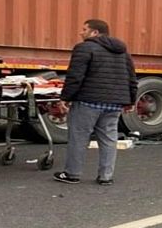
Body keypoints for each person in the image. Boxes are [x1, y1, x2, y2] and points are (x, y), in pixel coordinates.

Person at [54, 19, 138, 185]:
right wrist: (131, 100)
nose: (81, 32)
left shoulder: (84, 48)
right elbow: (131, 78)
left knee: (79, 137)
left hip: (88, 101)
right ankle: (106, 176)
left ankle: (72, 174)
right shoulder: (123, 52)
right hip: (114, 103)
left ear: (95, 32)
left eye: (84, 29)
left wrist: (65, 98)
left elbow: (75, 76)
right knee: (108, 139)